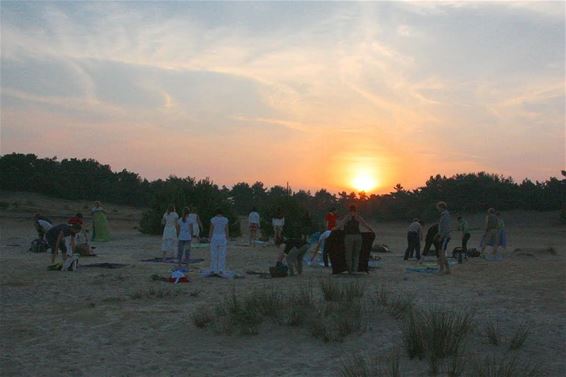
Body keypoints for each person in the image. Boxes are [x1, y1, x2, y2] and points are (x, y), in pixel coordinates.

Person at [336, 205, 375, 274]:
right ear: (356, 210)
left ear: (349, 210)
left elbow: (340, 225)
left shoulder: (347, 217)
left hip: (349, 237)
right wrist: (371, 230)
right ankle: (355, 269)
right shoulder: (358, 217)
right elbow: (365, 224)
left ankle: (350, 270)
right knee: (356, 255)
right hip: (358, 237)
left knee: (348, 254)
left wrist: (334, 230)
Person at [209, 208, 229, 274]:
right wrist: (227, 237)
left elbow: (211, 229)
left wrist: (209, 237)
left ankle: (214, 269)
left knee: (214, 253)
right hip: (222, 236)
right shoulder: (225, 219)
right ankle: (221, 269)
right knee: (222, 254)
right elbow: (226, 229)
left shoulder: (213, 219)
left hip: (214, 236)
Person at [436, 201, 451, 274]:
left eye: (438, 207)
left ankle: (442, 269)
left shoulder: (445, 215)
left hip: (445, 237)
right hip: (443, 236)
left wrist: (441, 237)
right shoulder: (444, 215)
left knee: (442, 253)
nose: (438, 209)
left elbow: (445, 227)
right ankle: (447, 269)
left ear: (441, 207)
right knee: (441, 253)